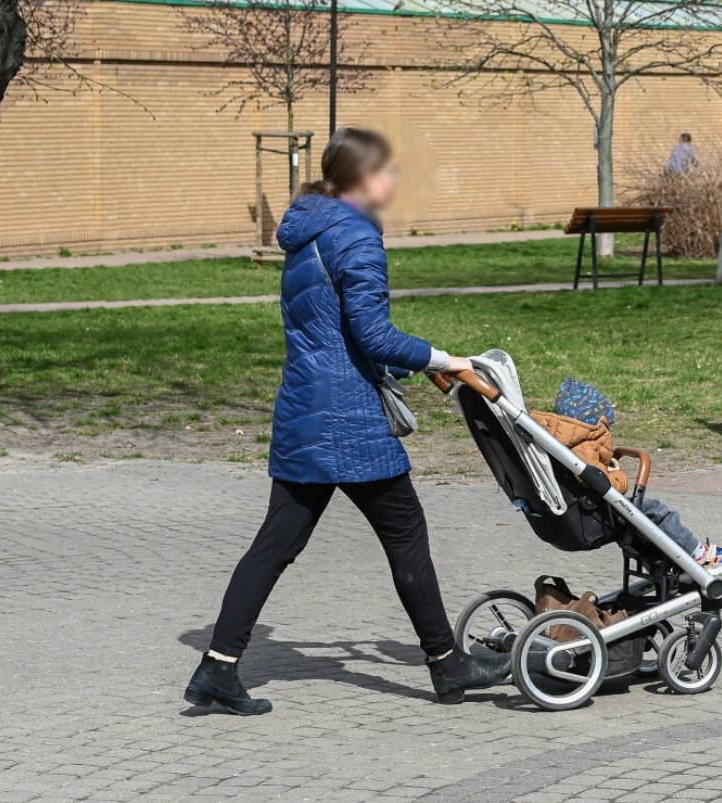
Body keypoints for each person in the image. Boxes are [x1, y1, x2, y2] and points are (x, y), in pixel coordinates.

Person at [185, 128, 511, 715]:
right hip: (350, 420)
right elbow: (373, 335)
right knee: (406, 534)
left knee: (274, 545)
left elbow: (335, 332)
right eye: (387, 171)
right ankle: (447, 664)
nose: (394, 181)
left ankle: (217, 666)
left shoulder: (308, 231)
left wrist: (412, 367)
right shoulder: (356, 236)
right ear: (362, 178)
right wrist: (447, 360)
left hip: (305, 410)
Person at [541, 377, 722, 574]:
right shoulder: (582, 445)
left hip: (563, 521)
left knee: (637, 523)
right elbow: (600, 482)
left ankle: (665, 564)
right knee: (656, 512)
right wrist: (618, 476)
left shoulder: (554, 438)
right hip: (586, 520)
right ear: (594, 421)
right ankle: (699, 555)